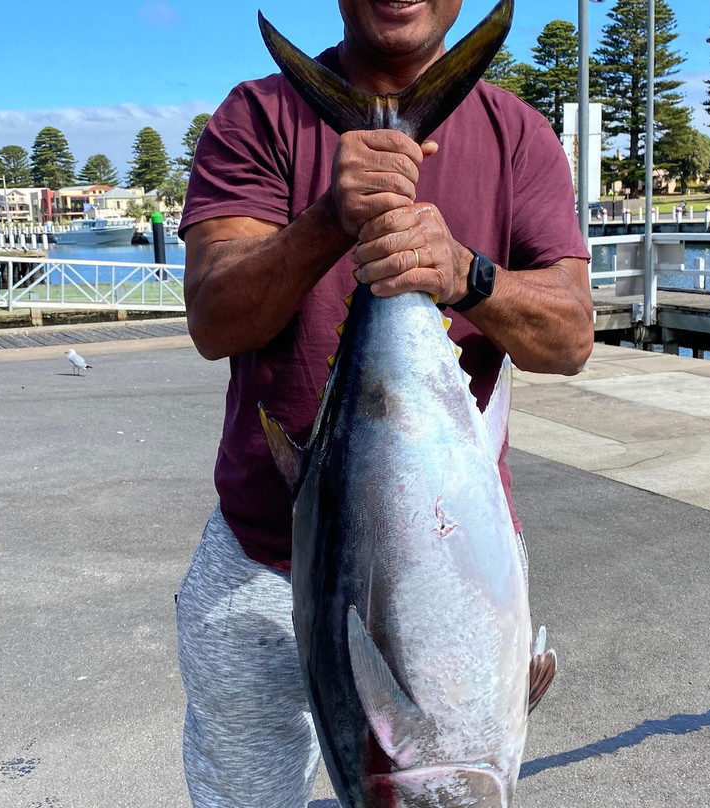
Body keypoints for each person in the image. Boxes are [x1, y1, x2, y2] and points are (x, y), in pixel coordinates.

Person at [175, 1, 594, 806]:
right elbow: (212, 318)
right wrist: (333, 217)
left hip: (451, 564)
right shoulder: (257, 116)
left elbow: (571, 337)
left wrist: (467, 274)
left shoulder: (519, 136)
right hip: (262, 560)